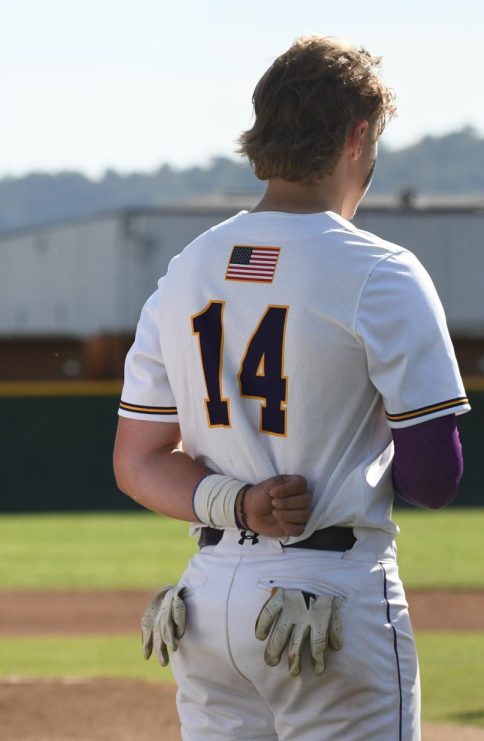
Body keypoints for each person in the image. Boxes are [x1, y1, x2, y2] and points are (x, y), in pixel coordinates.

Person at [113, 36, 468, 740]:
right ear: (357, 136)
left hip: (208, 599)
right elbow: (435, 476)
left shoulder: (186, 266)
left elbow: (137, 461)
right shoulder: (382, 270)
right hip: (330, 598)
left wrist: (238, 502)